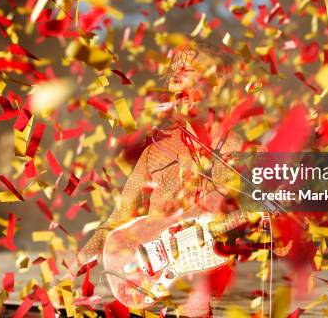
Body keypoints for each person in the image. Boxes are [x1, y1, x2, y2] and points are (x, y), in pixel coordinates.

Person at [70, 41, 252, 317]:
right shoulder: (157, 151)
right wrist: (80, 261)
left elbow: (272, 237)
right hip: (147, 280)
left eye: (188, 70)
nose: (175, 77)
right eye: (173, 71)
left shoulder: (245, 154)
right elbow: (119, 217)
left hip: (202, 280)